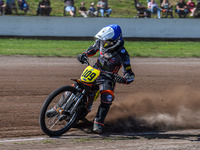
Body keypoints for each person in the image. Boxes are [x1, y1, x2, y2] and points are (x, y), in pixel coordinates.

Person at [77, 24, 135, 133]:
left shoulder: (123, 54)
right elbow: (92, 50)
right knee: (78, 86)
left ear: (115, 41)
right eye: (102, 40)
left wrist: (124, 79)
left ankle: (98, 122)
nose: (103, 43)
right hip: (95, 70)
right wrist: (83, 55)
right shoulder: (101, 42)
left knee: (107, 97)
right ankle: (59, 107)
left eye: (106, 41)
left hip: (108, 77)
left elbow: (129, 74)